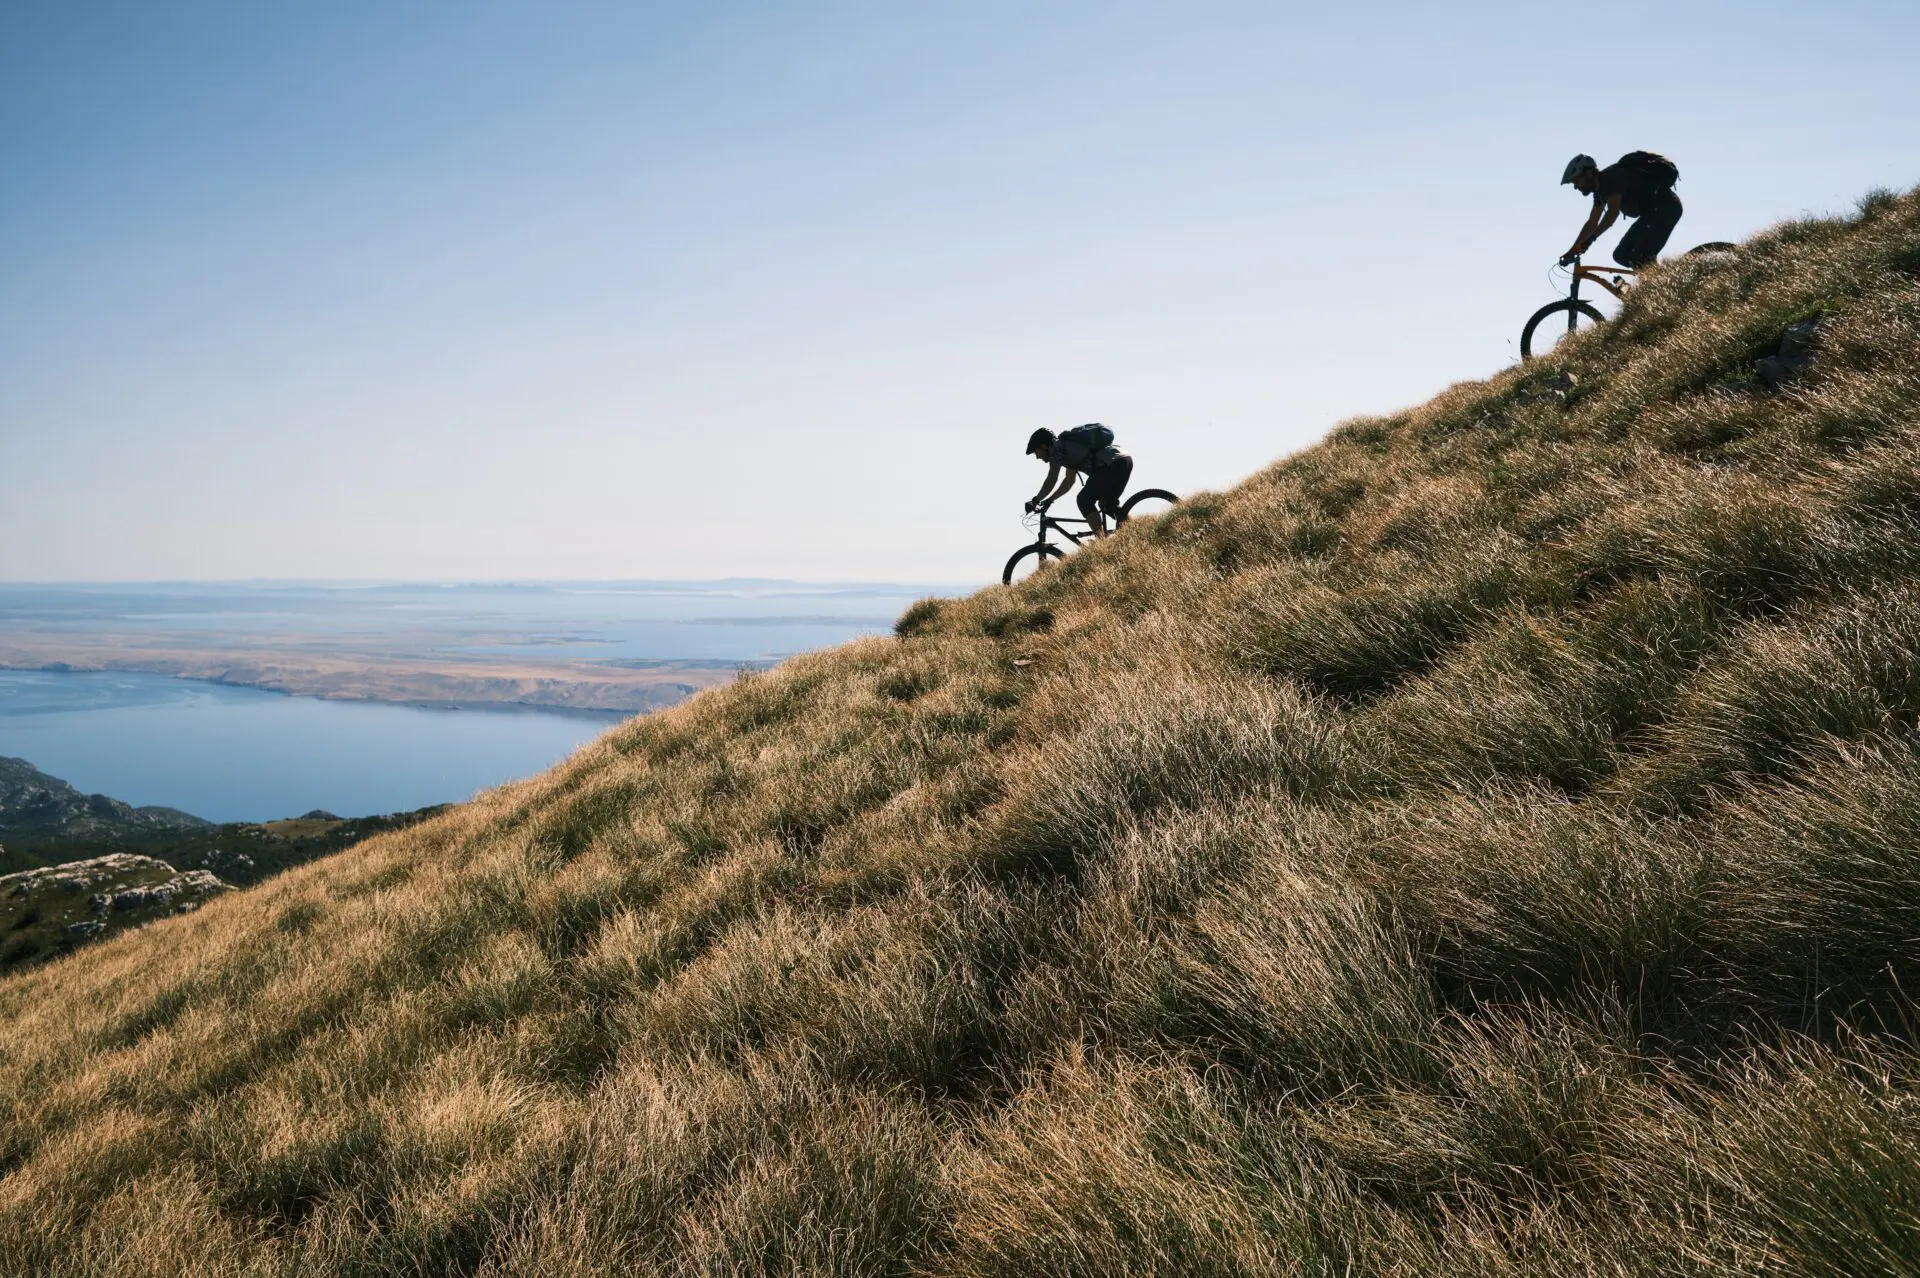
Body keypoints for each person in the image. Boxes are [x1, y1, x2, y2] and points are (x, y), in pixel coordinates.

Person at [1559, 152, 1683, 269]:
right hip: (1652, 213)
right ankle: (1661, 284)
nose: (1575, 187)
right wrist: (1572, 251)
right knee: (1622, 255)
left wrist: (1590, 240)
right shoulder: (1599, 191)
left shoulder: (1611, 177)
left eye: (1576, 180)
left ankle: (1671, 281)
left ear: (1589, 173)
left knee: (1631, 256)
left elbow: (1612, 214)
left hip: (1665, 208)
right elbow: (1592, 222)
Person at [1024, 424, 1133, 538]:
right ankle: (1136, 532)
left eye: (1036, 451)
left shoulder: (1057, 450)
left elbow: (1052, 479)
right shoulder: (1066, 448)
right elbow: (1069, 481)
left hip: (1112, 464)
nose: (1037, 456)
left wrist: (1035, 501)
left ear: (1044, 446)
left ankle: (1101, 542)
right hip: (1123, 460)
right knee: (1108, 505)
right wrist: (1050, 500)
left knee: (1084, 500)